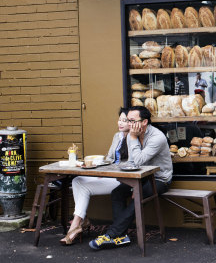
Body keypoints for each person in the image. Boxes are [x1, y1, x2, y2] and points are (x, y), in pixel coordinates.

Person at [89, 106, 172, 250]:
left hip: (159, 179)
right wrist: (136, 183)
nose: (129, 124)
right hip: (140, 177)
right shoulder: (131, 135)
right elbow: (132, 163)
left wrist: (132, 137)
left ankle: (111, 234)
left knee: (138, 197)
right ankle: (121, 236)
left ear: (144, 122)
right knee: (117, 193)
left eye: (132, 121)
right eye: (128, 120)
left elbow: (138, 161)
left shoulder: (156, 137)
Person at [60, 108, 130, 245]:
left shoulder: (134, 138)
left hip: (122, 179)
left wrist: (108, 171)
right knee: (77, 180)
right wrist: (101, 168)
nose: (120, 123)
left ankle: (76, 224)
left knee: (83, 186)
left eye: (125, 120)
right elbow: (110, 158)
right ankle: (81, 219)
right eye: (120, 119)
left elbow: (130, 164)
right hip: (109, 174)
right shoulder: (118, 136)